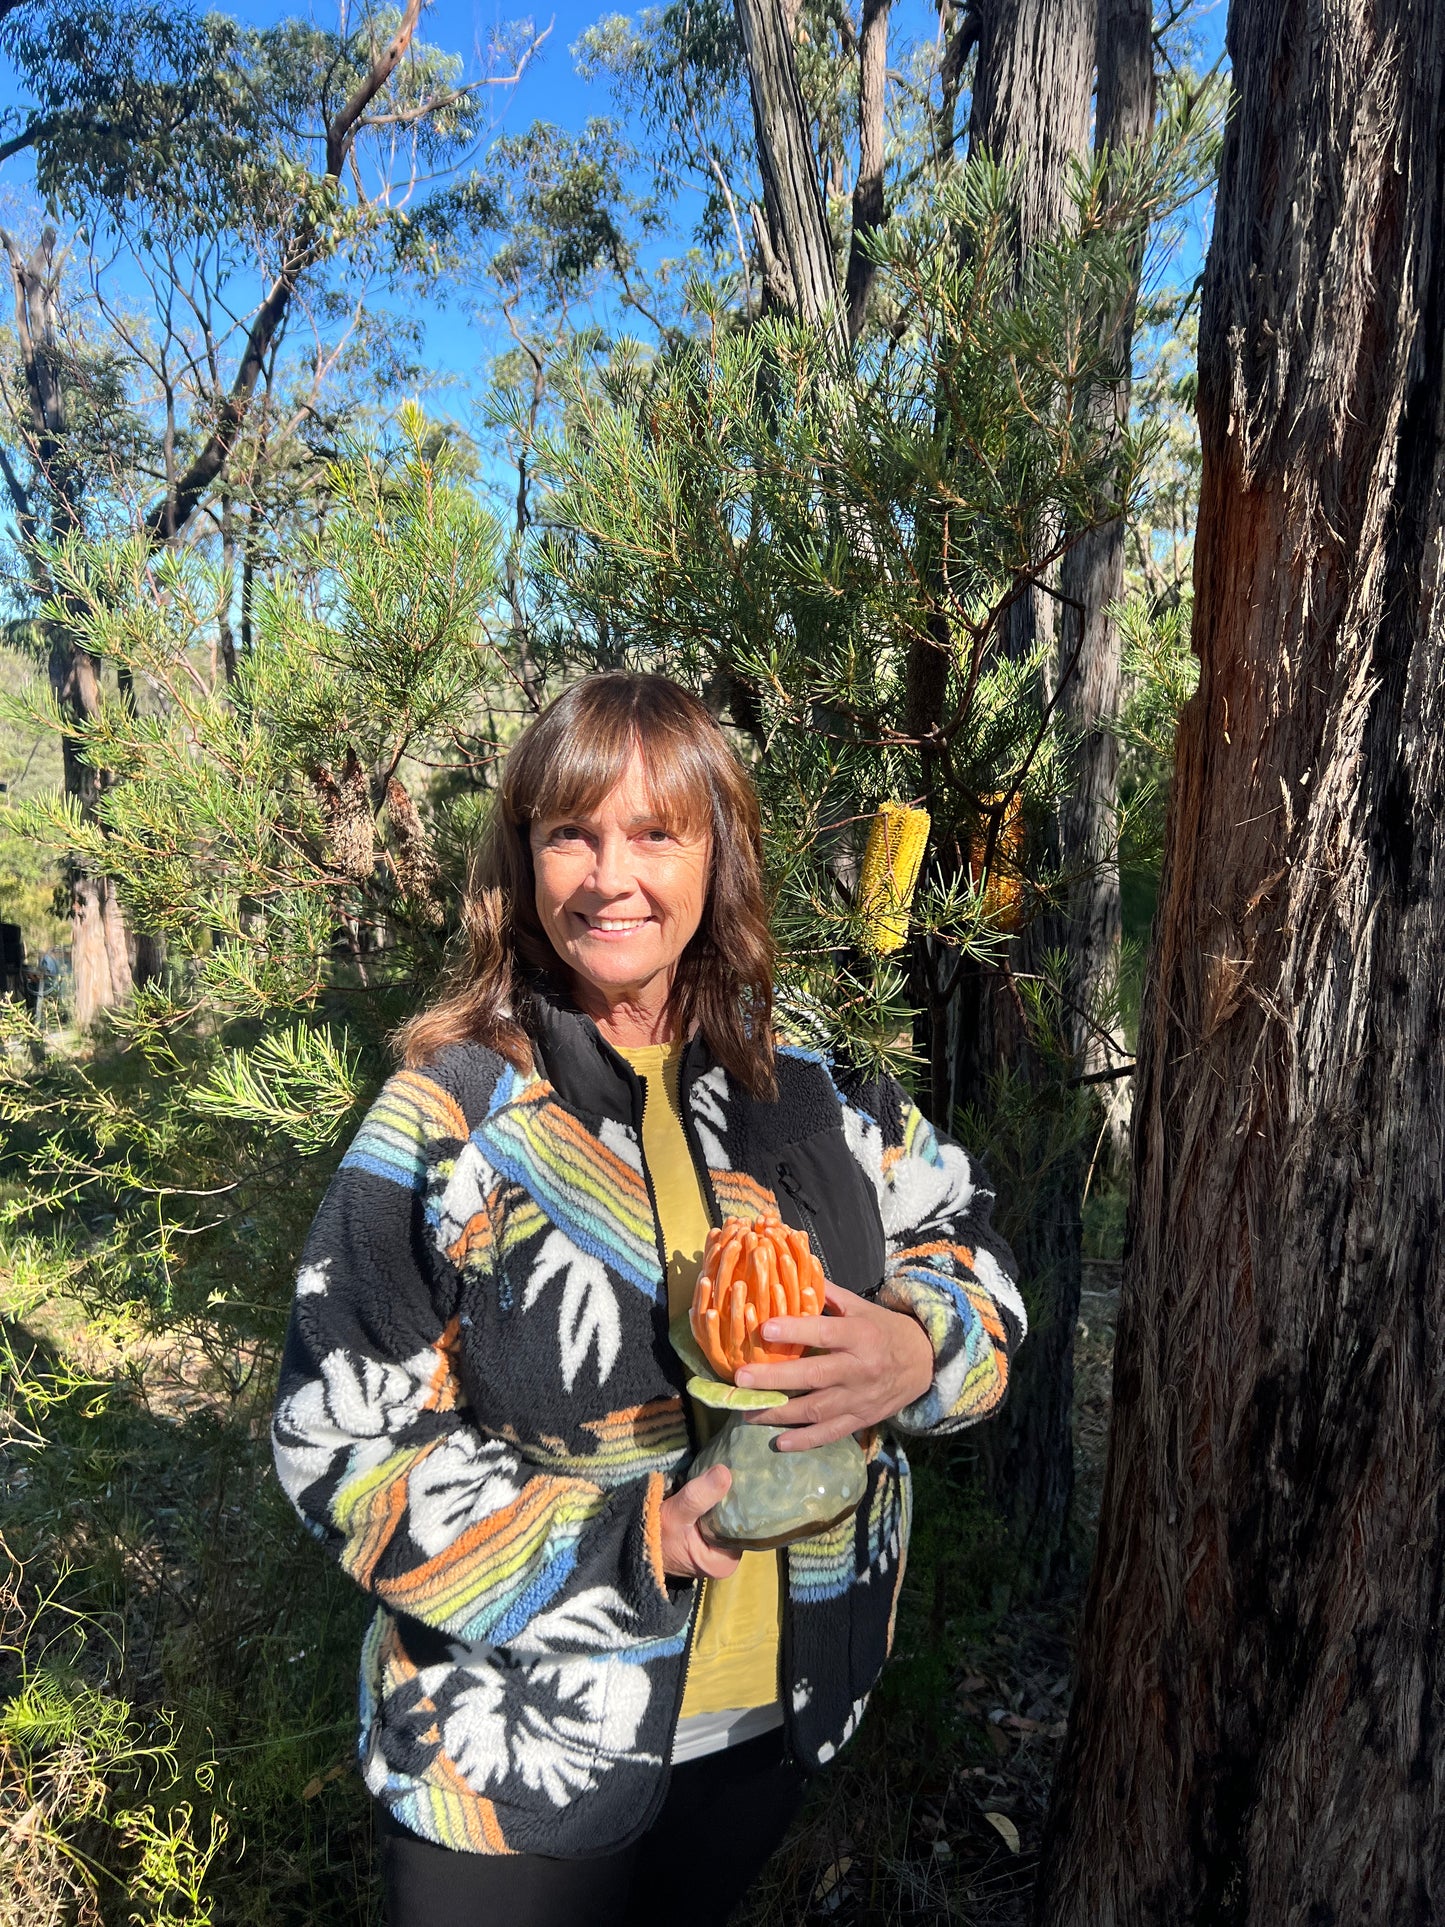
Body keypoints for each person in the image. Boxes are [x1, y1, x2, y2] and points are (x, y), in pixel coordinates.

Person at [272, 672, 1025, 1927]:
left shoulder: (812, 1096)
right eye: (571, 832)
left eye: (653, 834)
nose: (608, 876)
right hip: (513, 1768)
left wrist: (916, 1348)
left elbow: (971, 1245)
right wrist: (640, 1543)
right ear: (522, 860)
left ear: (712, 855)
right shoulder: (456, 1115)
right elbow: (334, 1439)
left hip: (765, 1726)